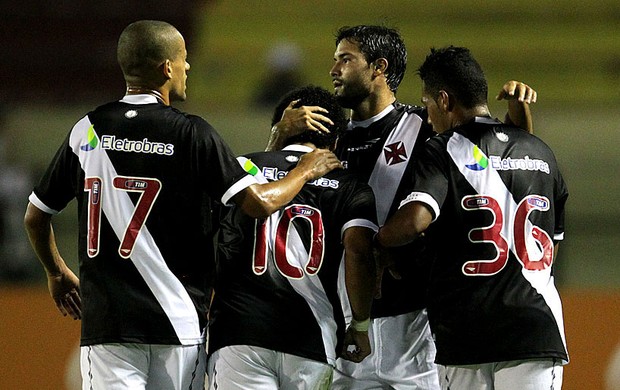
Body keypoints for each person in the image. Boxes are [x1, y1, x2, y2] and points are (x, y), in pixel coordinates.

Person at [23, 20, 340, 390]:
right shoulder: (193, 133)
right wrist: (303, 170)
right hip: (179, 325)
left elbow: (36, 216)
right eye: (184, 59)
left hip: (109, 325)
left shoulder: (87, 129)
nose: (188, 67)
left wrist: (56, 272)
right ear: (167, 68)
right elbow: (255, 203)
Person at [267, 25, 538, 389]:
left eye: (345, 60)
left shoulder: (424, 125)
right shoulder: (329, 138)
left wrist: (519, 112)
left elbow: (497, 157)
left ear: (379, 68)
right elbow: (272, 200)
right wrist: (278, 138)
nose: (333, 70)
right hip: (344, 326)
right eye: (334, 61)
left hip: (415, 325)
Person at [375, 46, 568, 389]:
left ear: (445, 101)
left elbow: (416, 220)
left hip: (465, 331)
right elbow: (549, 241)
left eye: (428, 103)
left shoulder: (442, 148)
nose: (427, 114)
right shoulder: (541, 152)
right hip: (533, 327)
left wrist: (376, 242)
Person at [207, 85, 377, 389]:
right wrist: (360, 324)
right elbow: (359, 252)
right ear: (336, 141)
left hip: (240, 332)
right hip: (311, 338)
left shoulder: (242, 168)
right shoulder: (352, 187)